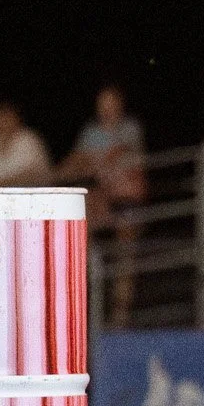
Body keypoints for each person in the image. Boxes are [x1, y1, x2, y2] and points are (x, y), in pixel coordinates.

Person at [57, 85, 146, 325]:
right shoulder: (90, 133)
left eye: (112, 103)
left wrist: (92, 161)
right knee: (81, 240)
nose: (108, 109)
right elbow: (76, 161)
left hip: (126, 201)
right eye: (104, 104)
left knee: (126, 252)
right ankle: (87, 302)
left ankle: (120, 317)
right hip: (100, 201)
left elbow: (117, 155)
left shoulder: (130, 129)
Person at [0, 101, 53, 186]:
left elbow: (32, 176)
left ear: (17, 119)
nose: (2, 121)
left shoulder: (28, 140)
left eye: (6, 116)